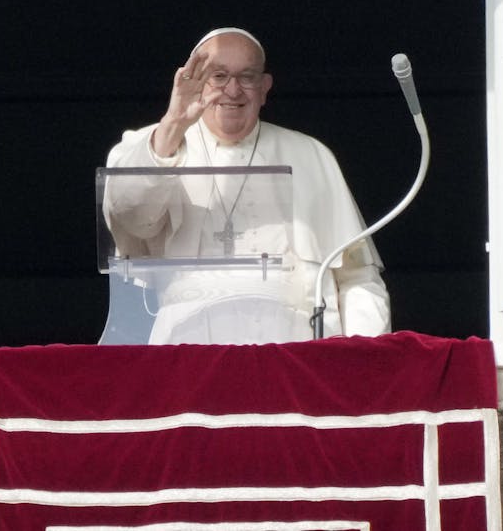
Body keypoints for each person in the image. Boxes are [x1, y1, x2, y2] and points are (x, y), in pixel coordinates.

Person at [103, 27, 390, 344]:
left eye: (247, 77)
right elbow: (129, 214)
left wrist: (363, 363)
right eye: (219, 76)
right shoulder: (152, 145)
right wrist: (173, 124)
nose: (233, 90)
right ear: (196, 82)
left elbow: (357, 277)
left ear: (265, 88)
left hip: (296, 351)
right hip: (188, 350)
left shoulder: (311, 154)